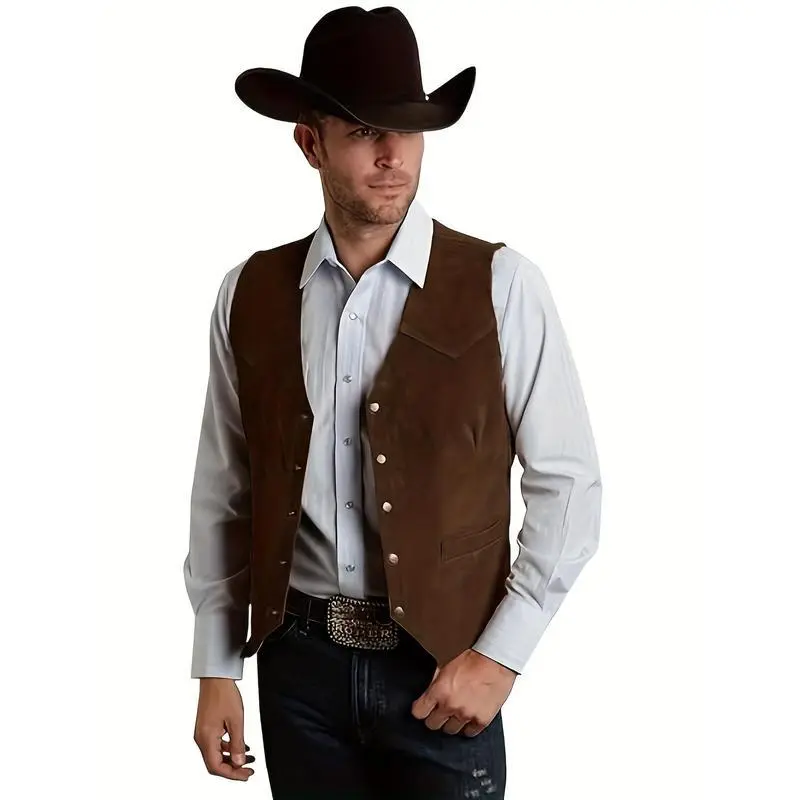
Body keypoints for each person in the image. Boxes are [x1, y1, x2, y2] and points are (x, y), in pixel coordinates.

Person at [183, 6, 602, 798]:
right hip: (297, 672)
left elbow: (570, 486)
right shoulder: (251, 293)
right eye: (363, 132)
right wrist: (215, 665)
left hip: (441, 673)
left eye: (409, 131)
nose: (392, 156)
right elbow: (224, 491)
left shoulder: (503, 287)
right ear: (310, 143)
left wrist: (501, 656)